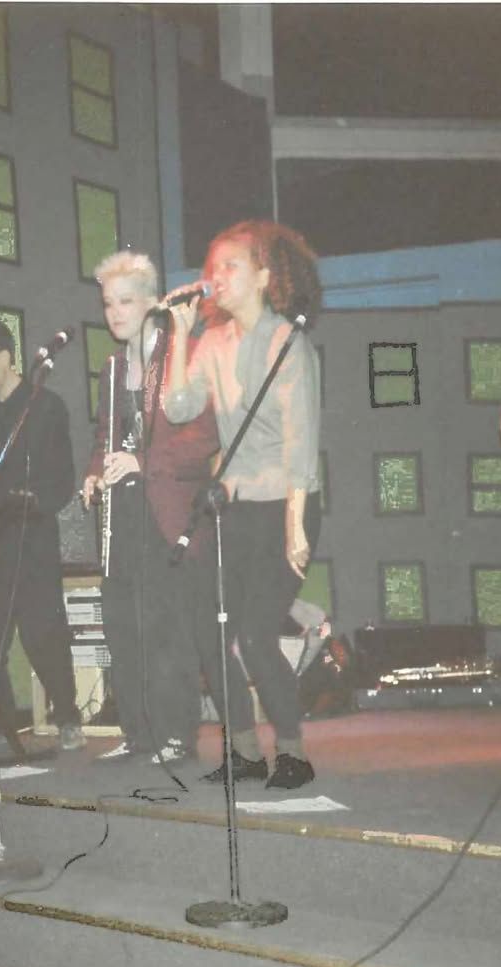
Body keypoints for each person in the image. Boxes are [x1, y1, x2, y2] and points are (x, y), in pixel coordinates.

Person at [163, 219, 323, 790]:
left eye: (231, 265)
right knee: (212, 631)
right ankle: (245, 752)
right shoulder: (213, 342)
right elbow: (179, 407)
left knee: (254, 635)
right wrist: (180, 334)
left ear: (262, 276)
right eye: (214, 267)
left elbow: (302, 443)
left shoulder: (287, 344)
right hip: (234, 507)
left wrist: (296, 527)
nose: (218, 276)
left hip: (286, 503)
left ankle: (293, 751)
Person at [82, 252, 219, 764]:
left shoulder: (184, 355)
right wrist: (95, 472)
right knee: (123, 624)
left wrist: (140, 461)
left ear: (151, 303)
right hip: (123, 515)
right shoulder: (113, 368)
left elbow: (202, 439)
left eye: (124, 301)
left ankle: (176, 734)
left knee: (168, 628)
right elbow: (104, 435)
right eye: (107, 303)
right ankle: (139, 733)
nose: (114, 313)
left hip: (167, 512)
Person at [0, 317, 84, 753]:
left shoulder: (45, 406)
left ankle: (67, 717)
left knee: (42, 633)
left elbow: (61, 480)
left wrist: (31, 500)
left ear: (6, 356)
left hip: (33, 537)